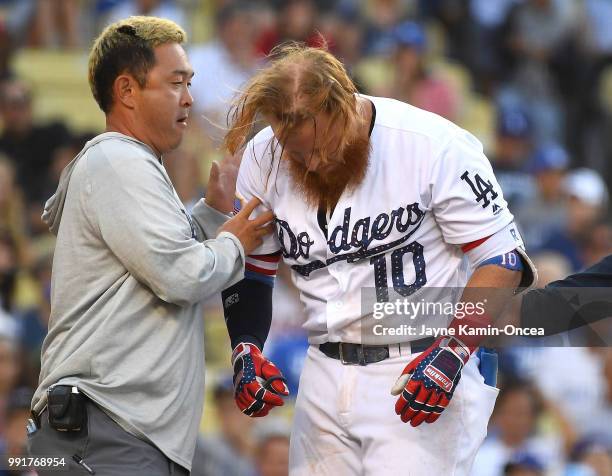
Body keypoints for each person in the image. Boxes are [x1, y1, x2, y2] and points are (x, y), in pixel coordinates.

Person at [220, 44, 536, 475]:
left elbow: (502, 261)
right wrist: (246, 347)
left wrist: (455, 350)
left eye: (316, 146)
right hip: (323, 372)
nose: (308, 162)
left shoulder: (432, 145)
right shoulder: (266, 155)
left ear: (343, 107)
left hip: (416, 368)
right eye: (294, 150)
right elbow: (253, 268)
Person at [27, 16, 273, 476]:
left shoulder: (127, 163)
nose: (189, 98)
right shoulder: (118, 159)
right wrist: (235, 240)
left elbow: (155, 261)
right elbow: (180, 276)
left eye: (190, 82)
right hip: (107, 431)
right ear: (127, 91)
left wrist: (212, 214)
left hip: (112, 433)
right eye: (175, 82)